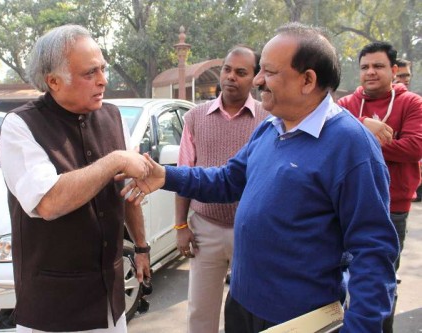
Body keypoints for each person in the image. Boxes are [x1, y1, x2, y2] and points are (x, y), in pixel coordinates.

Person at [120, 22, 399, 332]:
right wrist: (166, 176)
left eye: (269, 72)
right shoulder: (271, 127)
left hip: (298, 319)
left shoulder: (351, 146)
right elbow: (228, 180)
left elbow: (373, 252)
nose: (258, 81)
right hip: (243, 305)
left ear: (307, 80)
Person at [0, 24, 152, 333]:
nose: (103, 80)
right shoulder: (21, 126)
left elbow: (127, 191)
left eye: (103, 69)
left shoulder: (112, 116)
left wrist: (141, 246)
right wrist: (118, 159)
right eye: (89, 73)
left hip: (110, 301)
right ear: (53, 81)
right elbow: (49, 202)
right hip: (55, 309)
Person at [175, 45, 267, 333]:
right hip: (206, 230)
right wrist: (180, 226)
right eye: (227, 69)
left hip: (251, 231)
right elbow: (184, 174)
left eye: (241, 72)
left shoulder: (269, 119)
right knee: (201, 312)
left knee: (250, 312)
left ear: (255, 77)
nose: (231, 77)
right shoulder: (195, 118)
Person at [337, 41, 422, 333]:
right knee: (339, 279)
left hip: (391, 209)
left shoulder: (412, 103)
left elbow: (414, 147)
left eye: (378, 66)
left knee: (378, 285)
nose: (370, 72)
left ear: (393, 70)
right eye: (364, 67)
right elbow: (330, 137)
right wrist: (364, 126)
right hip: (347, 207)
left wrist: (358, 137)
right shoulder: (347, 105)